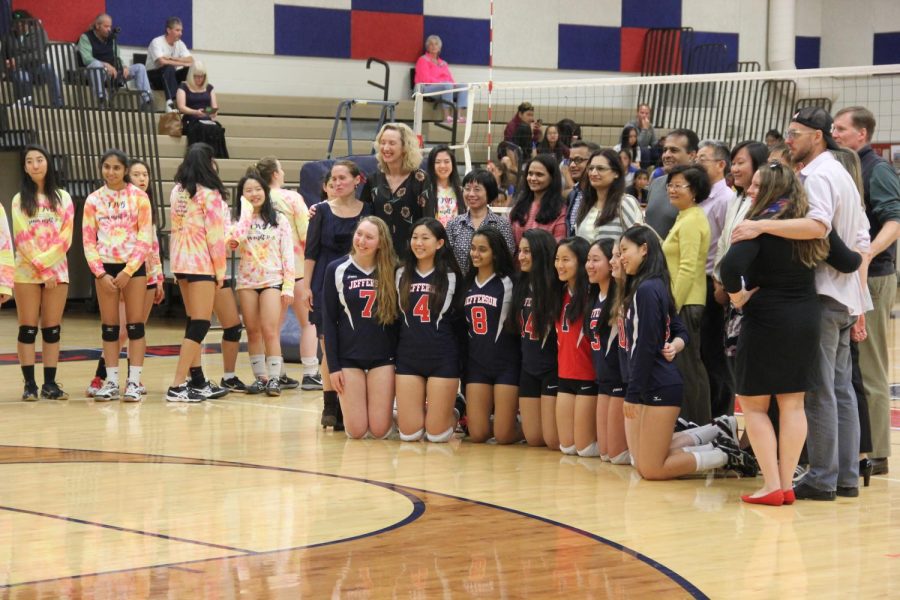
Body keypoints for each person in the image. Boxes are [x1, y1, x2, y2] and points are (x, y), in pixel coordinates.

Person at [732, 106, 872, 500]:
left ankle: (822, 477)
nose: (788, 140)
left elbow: (818, 228)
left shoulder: (817, 176)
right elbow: (859, 243)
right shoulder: (842, 173)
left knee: (820, 391)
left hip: (820, 296)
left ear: (819, 136)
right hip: (841, 295)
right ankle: (844, 476)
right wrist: (858, 297)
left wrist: (760, 224)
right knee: (841, 389)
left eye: (796, 134)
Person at [720, 163, 837, 505]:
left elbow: (729, 268)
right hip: (806, 318)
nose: (751, 190)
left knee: (754, 406)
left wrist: (737, 295)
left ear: (772, 190)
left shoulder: (757, 227)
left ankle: (771, 484)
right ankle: (786, 484)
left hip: (767, 319)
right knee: (793, 403)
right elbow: (846, 259)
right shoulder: (809, 228)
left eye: (757, 185)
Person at [617, 225, 756, 480]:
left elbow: (646, 346)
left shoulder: (648, 290)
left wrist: (633, 394)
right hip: (653, 381)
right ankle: (715, 431)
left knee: (651, 469)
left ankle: (726, 455)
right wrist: (676, 344)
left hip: (657, 384)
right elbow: (679, 330)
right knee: (642, 458)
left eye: (624, 250)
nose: (620, 257)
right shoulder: (652, 285)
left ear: (644, 249)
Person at [832, 106, 900, 478]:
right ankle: (856, 444)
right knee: (851, 365)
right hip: (849, 275)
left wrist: (868, 252)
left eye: (841, 128)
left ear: (862, 134)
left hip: (873, 275)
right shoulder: (842, 168)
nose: (835, 133)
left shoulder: (878, 170)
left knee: (870, 363)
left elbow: (895, 219)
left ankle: (877, 450)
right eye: (833, 127)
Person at [303, 160, 372, 429]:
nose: (337, 183)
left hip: (358, 280)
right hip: (324, 280)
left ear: (357, 180)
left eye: (343, 178)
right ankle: (330, 406)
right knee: (326, 345)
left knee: (349, 342)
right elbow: (311, 252)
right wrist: (307, 285)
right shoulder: (319, 211)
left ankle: (349, 404)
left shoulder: (368, 210)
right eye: (333, 179)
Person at [82, 149, 153, 402]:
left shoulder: (139, 198)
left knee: (135, 326)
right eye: (107, 167)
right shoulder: (93, 200)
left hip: (132, 269)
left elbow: (145, 238)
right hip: (105, 270)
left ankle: (133, 382)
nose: (111, 172)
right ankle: (111, 381)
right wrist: (100, 273)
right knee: (110, 328)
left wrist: (128, 270)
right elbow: (88, 240)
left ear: (124, 170)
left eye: (116, 168)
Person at [322, 217, 399, 439]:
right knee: (356, 432)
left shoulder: (394, 270)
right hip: (349, 360)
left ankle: (398, 416)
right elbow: (329, 322)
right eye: (359, 234)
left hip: (383, 359)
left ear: (381, 243)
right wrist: (333, 367)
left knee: (379, 431)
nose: (361, 241)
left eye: (369, 237)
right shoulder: (336, 269)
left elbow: (398, 323)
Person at [165, 143, 231, 402]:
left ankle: (197, 380)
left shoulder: (177, 191)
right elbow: (215, 238)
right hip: (201, 263)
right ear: (209, 163)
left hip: (180, 263)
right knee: (201, 323)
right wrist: (220, 272)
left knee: (193, 322)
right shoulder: (210, 194)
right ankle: (177, 385)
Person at [251, 157, 320, 390]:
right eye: (280, 168)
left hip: (270, 273)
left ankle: (277, 373)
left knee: (272, 328)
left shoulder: (254, 199)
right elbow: (306, 234)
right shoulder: (291, 197)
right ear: (275, 174)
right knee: (308, 323)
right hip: (297, 269)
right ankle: (310, 372)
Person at [11, 144, 74, 401]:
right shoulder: (18, 200)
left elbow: (65, 237)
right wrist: (40, 267)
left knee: (52, 329)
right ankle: (29, 385)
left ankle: (50, 384)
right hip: (26, 272)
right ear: (25, 168)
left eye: (40, 160)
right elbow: (21, 237)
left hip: (57, 272)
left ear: (48, 163)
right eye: (29, 161)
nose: (35, 165)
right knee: (27, 328)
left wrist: (48, 267)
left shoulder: (63, 198)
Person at [394, 218, 462, 443]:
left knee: (436, 435)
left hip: (442, 357)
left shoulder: (452, 275)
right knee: (410, 434)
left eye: (425, 238)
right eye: (415, 237)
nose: (418, 243)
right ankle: (420, 412)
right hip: (409, 357)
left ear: (440, 243)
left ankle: (454, 410)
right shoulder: (400, 272)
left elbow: (459, 320)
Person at [712, 141, 769, 401]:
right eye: (733, 162)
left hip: (747, 297)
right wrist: (718, 282)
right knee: (732, 364)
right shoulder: (737, 197)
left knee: (749, 372)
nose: (734, 168)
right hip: (730, 293)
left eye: (740, 162)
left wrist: (732, 288)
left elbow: (743, 255)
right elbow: (724, 244)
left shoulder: (763, 206)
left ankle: (755, 436)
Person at [228, 174, 295, 396]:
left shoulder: (279, 220)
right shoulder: (237, 221)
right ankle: (261, 378)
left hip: (272, 280)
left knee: (270, 330)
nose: (254, 194)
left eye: (258, 189)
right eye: (248, 190)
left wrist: (288, 286)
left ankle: (275, 379)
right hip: (247, 282)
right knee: (253, 331)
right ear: (242, 196)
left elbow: (288, 255)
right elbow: (232, 245)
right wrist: (244, 219)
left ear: (265, 192)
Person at [662, 165, 712, 425]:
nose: (672, 189)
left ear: (694, 191)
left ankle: (699, 428)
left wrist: (671, 308)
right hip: (682, 301)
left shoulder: (693, 219)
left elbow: (689, 267)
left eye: (678, 185)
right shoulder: (684, 216)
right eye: (670, 184)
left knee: (689, 369)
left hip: (687, 303)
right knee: (686, 367)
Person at [462, 227, 521, 444]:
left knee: (503, 436)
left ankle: (531, 425)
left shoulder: (510, 282)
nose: (475, 254)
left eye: (482, 250)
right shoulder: (467, 283)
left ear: (495, 253)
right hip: (477, 365)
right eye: (473, 249)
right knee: (477, 434)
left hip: (506, 364)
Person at [695, 140, 735, 419]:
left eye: (703, 159)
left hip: (713, 287)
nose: (697, 163)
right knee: (700, 357)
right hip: (696, 286)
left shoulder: (726, 199)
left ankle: (721, 422)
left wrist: (720, 286)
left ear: (721, 165)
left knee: (715, 359)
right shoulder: (699, 196)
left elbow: (727, 246)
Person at [513, 229, 559, 448]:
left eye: (527, 251)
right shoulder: (520, 285)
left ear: (541, 253)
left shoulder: (557, 287)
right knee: (533, 439)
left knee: (552, 441)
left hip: (552, 368)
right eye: (520, 251)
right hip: (528, 367)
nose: (521, 256)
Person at [554, 237, 598, 456]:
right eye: (557, 259)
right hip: (564, 376)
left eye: (566, 260)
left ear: (581, 263)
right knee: (567, 447)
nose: (559, 265)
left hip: (589, 377)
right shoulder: (558, 293)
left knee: (584, 449)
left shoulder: (594, 295)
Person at [361, 123, 432, 257]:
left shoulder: (420, 179)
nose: (386, 148)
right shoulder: (373, 180)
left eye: (392, 143)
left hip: (412, 256)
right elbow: (363, 217)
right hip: (379, 256)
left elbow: (428, 221)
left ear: (405, 147)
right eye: (382, 142)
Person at [586, 239, 628, 464]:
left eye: (596, 260)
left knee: (618, 456)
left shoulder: (621, 296)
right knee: (604, 454)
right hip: (603, 381)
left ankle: (698, 436)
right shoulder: (592, 298)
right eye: (588, 260)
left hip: (621, 380)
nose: (590, 265)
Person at [446, 169, 514, 275]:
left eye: (477, 189)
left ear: (489, 192)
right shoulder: (454, 224)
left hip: (492, 286)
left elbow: (507, 257)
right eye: (467, 189)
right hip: (460, 286)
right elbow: (447, 260)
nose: (471, 194)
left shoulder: (501, 224)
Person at [78, 14, 151, 104]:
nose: (109, 29)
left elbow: (117, 57)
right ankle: (102, 99)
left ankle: (146, 101)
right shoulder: (85, 37)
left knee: (140, 67)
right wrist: (105, 65)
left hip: (112, 72)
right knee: (96, 65)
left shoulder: (111, 39)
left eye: (110, 26)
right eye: (106, 26)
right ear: (97, 25)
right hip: (92, 71)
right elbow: (87, 59)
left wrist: (123, 66)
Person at [573, 149, 643, 243]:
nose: (593, 173)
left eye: (600, 168)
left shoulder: (625, 203)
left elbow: (638, 243)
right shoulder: (586, 204)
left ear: (616, 173)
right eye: (591, 168)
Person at [644, 128, 699, 239]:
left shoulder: (697, 188)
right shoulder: (656, 183)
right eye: (665, 150)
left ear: (692, 155)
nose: (666, 155)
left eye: (674, 150)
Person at [3, 10, 63, 107]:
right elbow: (3, 56)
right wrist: (5, 66)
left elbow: (38, 54)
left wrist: (17, 60)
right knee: (23, 77)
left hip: (36, 67)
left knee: (49, 68)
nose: (19, 27)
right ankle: (27, 106)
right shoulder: (8, 37)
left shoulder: (39, 32)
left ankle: (58, 103)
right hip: (17, 69)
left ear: (27, 23)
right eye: (16, 24)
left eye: (22, 24)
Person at [509, 154, 567, 247]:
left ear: (552, 178)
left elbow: (558, 247)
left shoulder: (560, 211)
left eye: (539, 174)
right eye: (530, 173)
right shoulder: (519, 205)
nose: (533, 178)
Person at [177, 61, 228, 158]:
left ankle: (215, 157)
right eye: (196, 76)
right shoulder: (183, 87)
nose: (199, 79)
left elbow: (214, 108)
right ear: (191, 75)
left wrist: (206, 112)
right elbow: (181, 107)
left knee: (216, 129)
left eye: (202, 76)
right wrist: (195, 112)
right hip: (190, 119)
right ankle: (200, 156)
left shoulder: (209, 88)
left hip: (206, 118)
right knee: (201, 129)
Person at [414, 35, 468, 123]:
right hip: (426, 88)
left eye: (436, 44)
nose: (434, 46)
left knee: (463, 86)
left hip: (445, 87)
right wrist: (443, 83)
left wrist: (453, 86)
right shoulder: (422, 60)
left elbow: (450, 79)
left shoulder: (443, 63)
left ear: (439, 48)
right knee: (446, 85)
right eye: (431, 44)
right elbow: (425, 79)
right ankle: (446, 117)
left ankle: (458, 116)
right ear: (427, 47)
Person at [146, 16, 193, 111]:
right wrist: (181, 62)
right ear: (168, 30)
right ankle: (171, 102)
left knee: (190, 69)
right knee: (169, 68)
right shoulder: (157, 42)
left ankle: (192, 100)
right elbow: (162, 61)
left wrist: (172, 58)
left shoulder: (180, 43)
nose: (181, 33)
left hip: (170, 75)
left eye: (181, 31)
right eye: (177, 30)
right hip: (153, 77)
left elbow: (191, 60)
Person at [563, 140, 600, 233]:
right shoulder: (573, 194)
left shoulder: (601, 195)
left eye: (578, 160)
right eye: (570, 160)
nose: (572, 165)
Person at [427, 145, 465, 227]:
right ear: (431, 165)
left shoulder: (462, 191)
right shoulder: (425, 191)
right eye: (437, 162)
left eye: (447, 161)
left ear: (453, 164)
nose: (443, 166)